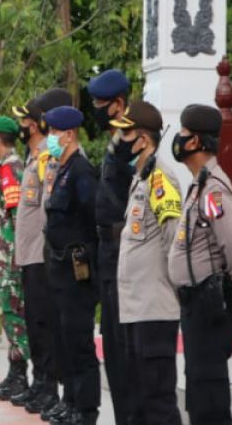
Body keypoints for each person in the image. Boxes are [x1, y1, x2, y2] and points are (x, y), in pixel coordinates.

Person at [167, 104, 232, 425]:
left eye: (184, 135)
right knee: (199, 395)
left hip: (209, 304)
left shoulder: (214, 190)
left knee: (210, 397)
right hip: (194, 305)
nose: (178, 140)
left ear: (197, 142)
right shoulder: (198, 185)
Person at [111, 101, 181, 425]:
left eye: (126, 133)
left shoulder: (160, 179)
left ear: (143, 138)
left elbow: (172, 239)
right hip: (135, 308)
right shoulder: (140, 179)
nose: (121, 139)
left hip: (155, 308)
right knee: (138, 402)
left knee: (158, 404)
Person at [9, 88, 69, 414]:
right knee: (35, 322)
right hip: (29, 253)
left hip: (41, 254)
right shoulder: (36, 156)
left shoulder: (48, 156)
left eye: (28, 118)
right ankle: (40, 382)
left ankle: (49, 386)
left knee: (45, 324)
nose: (24, 125)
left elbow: (49, 207)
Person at [41, 104, 99, 425]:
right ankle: (70, 401)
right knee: (64, 340)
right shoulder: (60, 169)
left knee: (79, 342)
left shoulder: (80, 172)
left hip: (78, 272)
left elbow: (93, 220)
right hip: (60, 271)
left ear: (69, 134)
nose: (49, 137)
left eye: (53, 132)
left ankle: (86, 409)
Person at [86, 68, 134, 425]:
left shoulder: (133, 142)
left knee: (125, 351)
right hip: (107, 253)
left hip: (124, 253)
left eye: (102, 105)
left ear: (119, 104)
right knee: (113, 349)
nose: (97, 111)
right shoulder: (117, 140)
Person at [0, 115, 30, 402]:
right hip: (6, 257)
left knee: (13, 314)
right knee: (8, 314)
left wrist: (12, 259)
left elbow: (16, 215)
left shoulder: (10, 168)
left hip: (11, 258)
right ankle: (15, 373)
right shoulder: (6, 167)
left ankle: (20, 376)